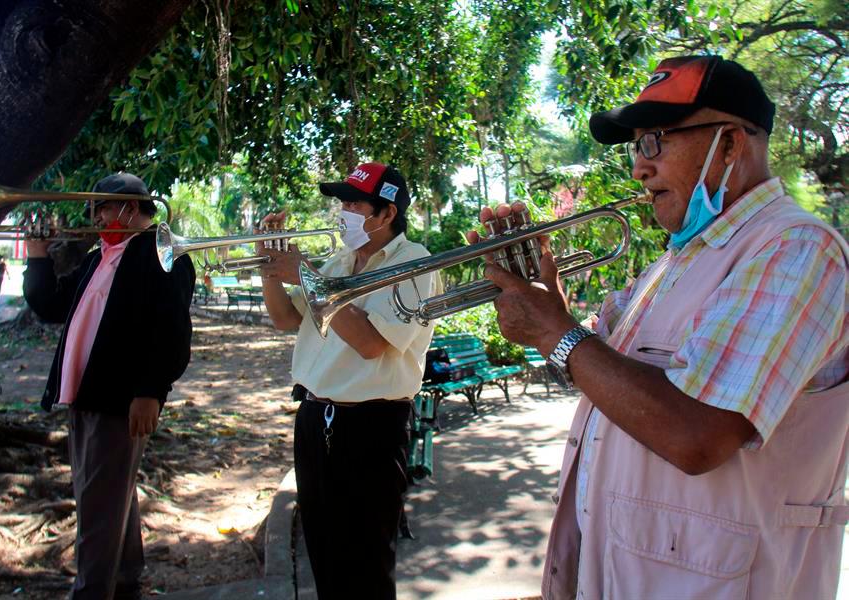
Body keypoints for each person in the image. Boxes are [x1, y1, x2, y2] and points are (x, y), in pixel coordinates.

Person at [469, 56, 848, 599]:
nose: (638, 169)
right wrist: (543, 292)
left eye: (654, 142)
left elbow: (699, 434)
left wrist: (556, 332)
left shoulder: (797, 250)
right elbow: (600, 371)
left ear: (731, 145)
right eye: (636, 146)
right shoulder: (676, 261)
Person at [257, 162, 440, 599]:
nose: (343, 210)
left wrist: (309, 275)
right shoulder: (339, 262)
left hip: (372, 426)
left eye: (354, 202)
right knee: (324, 553)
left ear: (386, 213)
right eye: (342, 201)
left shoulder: (415, 263)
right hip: (315, 416)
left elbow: (372, 343)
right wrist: (269, 264)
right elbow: (285, 318)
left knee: (366, 562)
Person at [23, 173, 195, 600]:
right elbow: (50, 306)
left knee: (99, 504)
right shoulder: (98, 257)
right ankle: (125, 582)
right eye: (97, 209)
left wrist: (151, 390)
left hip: (121, 399)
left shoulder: (161, 253)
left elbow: (172, 330)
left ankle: (92, 591)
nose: (97, 217)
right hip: (83, 395)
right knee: (107, 494)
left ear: (130, 209)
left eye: (104, 207)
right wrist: (37, 256)